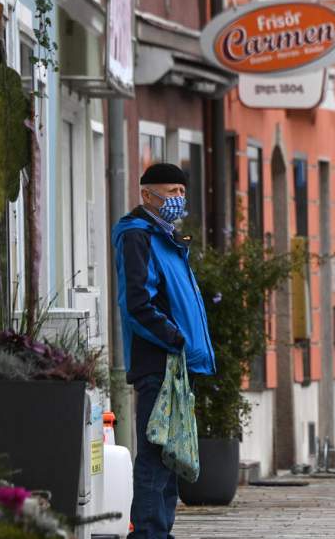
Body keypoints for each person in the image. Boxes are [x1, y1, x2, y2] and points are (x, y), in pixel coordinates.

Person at [111, 163, 216, 539]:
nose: (178, 200)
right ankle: (148, 532)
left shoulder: (167, 238)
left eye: (181, 193)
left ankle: (161, 529)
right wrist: (174, 338)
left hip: (176, 363)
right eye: (171, 192)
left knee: (172, 453)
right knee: (156, 451)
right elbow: (137, 302)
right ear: (146, 195)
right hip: (158, 360)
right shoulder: (138, 236)